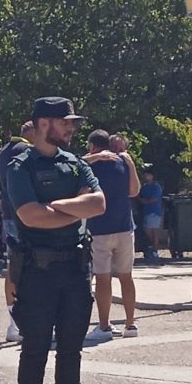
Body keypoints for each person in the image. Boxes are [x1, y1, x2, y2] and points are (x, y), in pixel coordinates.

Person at [6, 96, 106, 384]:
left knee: (71, 349)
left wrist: (56, 208)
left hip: (75, 270)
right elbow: (30, 216)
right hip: (37, 272)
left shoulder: (75, 164)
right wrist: (74, 209)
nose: (72, 128)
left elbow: (98, 203)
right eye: (66, 121)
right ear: (44, 123)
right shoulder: (20, 167)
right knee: (34, 349)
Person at [82, 130, 140, 341]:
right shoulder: (122, 162)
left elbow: (76, 172)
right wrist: (130, 163)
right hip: (124, 226)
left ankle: (104, 325)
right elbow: (134, 191)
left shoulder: (90, 165)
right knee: (126, 277)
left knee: (103, 279)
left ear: (92, 146)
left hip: (100, 227)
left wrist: (93, 158)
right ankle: (130, 324)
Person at [0, 121, 35, 342]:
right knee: (32, 267)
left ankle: (14, 323)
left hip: (10, 215)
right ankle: (27, 323)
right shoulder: (26, 151)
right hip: (25, 216)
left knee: (13, 266)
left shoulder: (4, 152)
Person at [138, 167, 163, 260]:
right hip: (146, 212)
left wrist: (144, 201)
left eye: (147, 174)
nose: (145, 176)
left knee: (154, 232)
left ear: (152, 176)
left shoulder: (156, 186)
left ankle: (155, 251)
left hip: (154, 212)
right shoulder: (144, 187)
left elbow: (154, 199)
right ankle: (151, 248)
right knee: (147, 231)